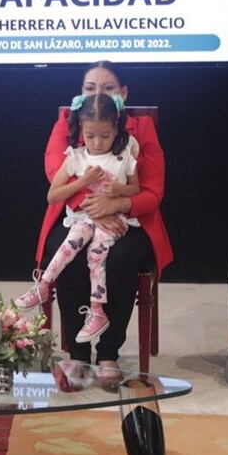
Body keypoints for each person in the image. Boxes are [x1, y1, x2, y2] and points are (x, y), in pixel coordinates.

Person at [36, 61, 173, 374]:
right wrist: (96, 207)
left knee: (119, 259)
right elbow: (55, 176)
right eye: (89, 88)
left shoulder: (142, 129)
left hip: (129, 219)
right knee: (71, 255)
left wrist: (118, 204)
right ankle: (78, 352)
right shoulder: (67, 124)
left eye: (108, 88)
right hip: (77, 215)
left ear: (123, 93)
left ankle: (108, 352)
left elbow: (153, 191)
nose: (98, 94)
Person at [17, 93, 140, 346]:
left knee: (97, 254)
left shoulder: (125, 154)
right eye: (90, 136)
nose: (97, 143)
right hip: (81, 219)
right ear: (80, 129)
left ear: (116, 128)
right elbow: (53, 196)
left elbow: (135, 189)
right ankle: (43, 285)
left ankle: (97, 310)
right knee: (70, 245)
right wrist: (83, 181)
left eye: (104, 136)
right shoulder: (75, 157)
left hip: (112, 221)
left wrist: (119, 190)